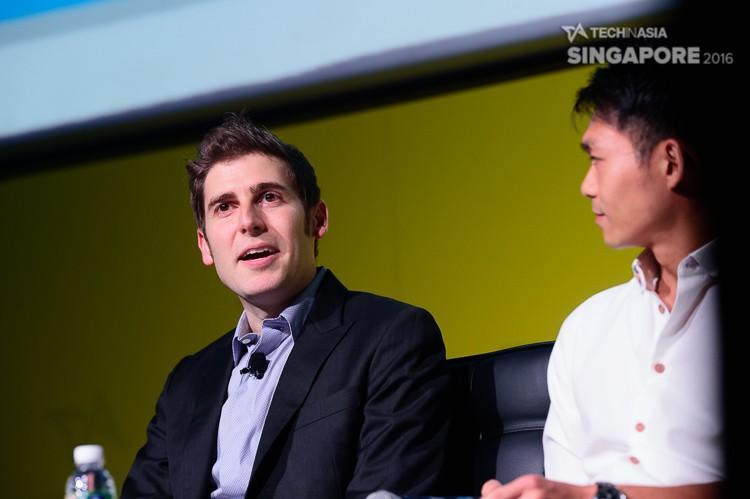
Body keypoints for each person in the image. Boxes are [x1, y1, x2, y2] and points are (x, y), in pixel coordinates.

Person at [122, 113, 450, 499]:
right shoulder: (188, 383)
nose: (248, 221)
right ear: (205, 246)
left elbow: (386, 489)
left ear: (317, 219)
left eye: (269, 197)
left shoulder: (390, 338)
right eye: (224, 207)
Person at [482, 64, 724, 498]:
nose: (586, 186)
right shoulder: (587, 325)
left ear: (670, 162)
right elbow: (567, 486)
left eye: (596, 160)